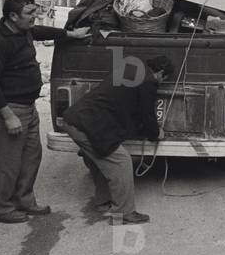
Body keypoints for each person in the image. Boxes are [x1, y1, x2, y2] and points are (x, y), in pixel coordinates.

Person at [0, 0, 90, 224]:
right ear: (13, 16)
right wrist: (8, 116)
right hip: (10, 110)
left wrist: (71, 34)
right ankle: (1, 208)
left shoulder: (23, 30)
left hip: (28, 108)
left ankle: (24, 200)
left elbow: (41, 31)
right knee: (7, 163)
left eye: (34, 11)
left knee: (31, 157)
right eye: (29, 13)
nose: (34, 17)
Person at [62, 56, 173, 225]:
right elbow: (147, 114)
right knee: (121, 162)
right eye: (164, 79)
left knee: (100, 159)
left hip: (75, 121)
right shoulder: (148, 81)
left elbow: (126, 106)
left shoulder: (131, 69)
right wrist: (156, 134)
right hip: (88, 125)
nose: (161, 83)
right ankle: (124, 213)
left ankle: (103, 201)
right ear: (160, 72)